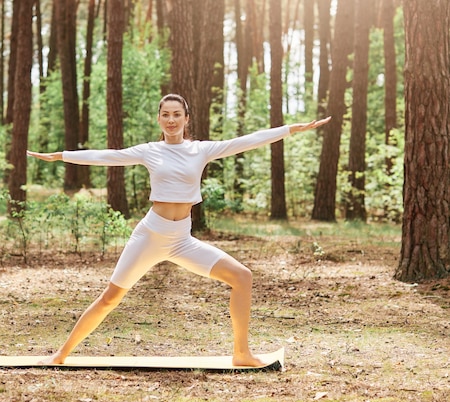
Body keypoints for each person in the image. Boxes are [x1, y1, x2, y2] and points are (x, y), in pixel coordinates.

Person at [27, 93, 330, 367]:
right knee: (110, 298)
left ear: (186, 119)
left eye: (177, 115)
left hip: (182, 239)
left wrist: (290, 129)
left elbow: (247, 140)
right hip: (150, 236)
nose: (171, 120)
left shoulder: (200, 150)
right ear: (159, 119)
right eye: (165, 115)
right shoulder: (149, 151)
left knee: (242, 277)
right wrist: (62, 156)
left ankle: (242, 353)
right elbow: (108, 156)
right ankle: (61, 354)